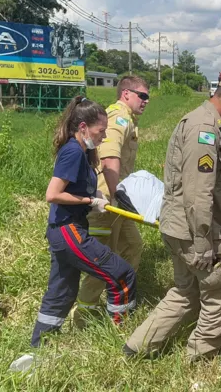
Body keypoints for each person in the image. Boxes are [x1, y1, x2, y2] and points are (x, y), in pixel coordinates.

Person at [123, 72, 221, 362]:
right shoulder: (205, 130)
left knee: (186, 291)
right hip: (192, 232)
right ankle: (203, 356)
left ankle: (137, 347)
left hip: (177, 227)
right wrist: (204, 241)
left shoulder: (201, 121)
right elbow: (199, 193)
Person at [10, 96, 137, 371]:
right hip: (67, 230)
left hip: (66, 229)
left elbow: (78, 186)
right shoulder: (73, 151)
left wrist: (95, 193)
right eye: (100, 130)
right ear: (82, 126)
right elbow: (52, 194)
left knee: (62, 292)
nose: (103, 136)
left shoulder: (84, 151)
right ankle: (122, 339)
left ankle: (40, 350)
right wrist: (90, 202)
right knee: (122, 274)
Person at [72, 76, 149, 329]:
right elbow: (109, 158)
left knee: (133, 245)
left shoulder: (128, 119)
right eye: (142, 96)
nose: (146, 101)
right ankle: (82, 318)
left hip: (118, 203)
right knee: (102, 260)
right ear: (126, 94)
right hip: (108, 203)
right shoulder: (119, 117)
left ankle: (120, 298)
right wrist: (119, 196)